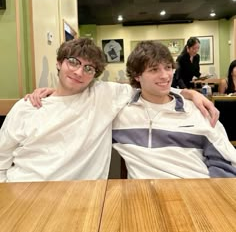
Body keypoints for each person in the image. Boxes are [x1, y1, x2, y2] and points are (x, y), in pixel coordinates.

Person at [0, 38, 219, 182]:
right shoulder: (26, 108)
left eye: (88, 68)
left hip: (82, 198)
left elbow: (151, 85)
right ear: (59, 63)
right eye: (73, 62)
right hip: (21, 190)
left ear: (94, 75)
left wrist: (189, 93)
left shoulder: (103, 95)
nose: (79, 72)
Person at [112, 40, 236, 179]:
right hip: (146, 196)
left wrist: (211, 195)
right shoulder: (121, 113)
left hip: (198, 190)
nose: (165, 76)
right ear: (137, 75)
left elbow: (225, 161)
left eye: (168, 67)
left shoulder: (197, 110)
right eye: (154, 69)